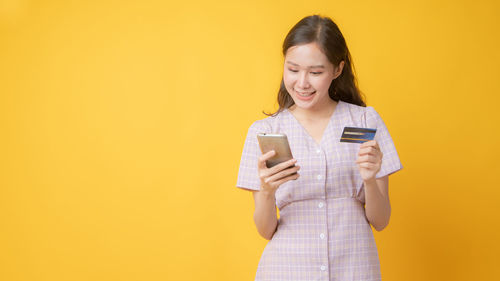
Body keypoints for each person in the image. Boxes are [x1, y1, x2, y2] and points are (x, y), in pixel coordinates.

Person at [236, 14, 403, 280]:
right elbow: (266, 230)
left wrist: (370, 180)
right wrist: (267, 191)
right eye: (292, 69)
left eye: (315, 72)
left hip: (354, 269)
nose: (302, 83)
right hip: (287, 269)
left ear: (337, 70)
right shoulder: (266, 131)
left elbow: (381, 221)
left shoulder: (363, 120)